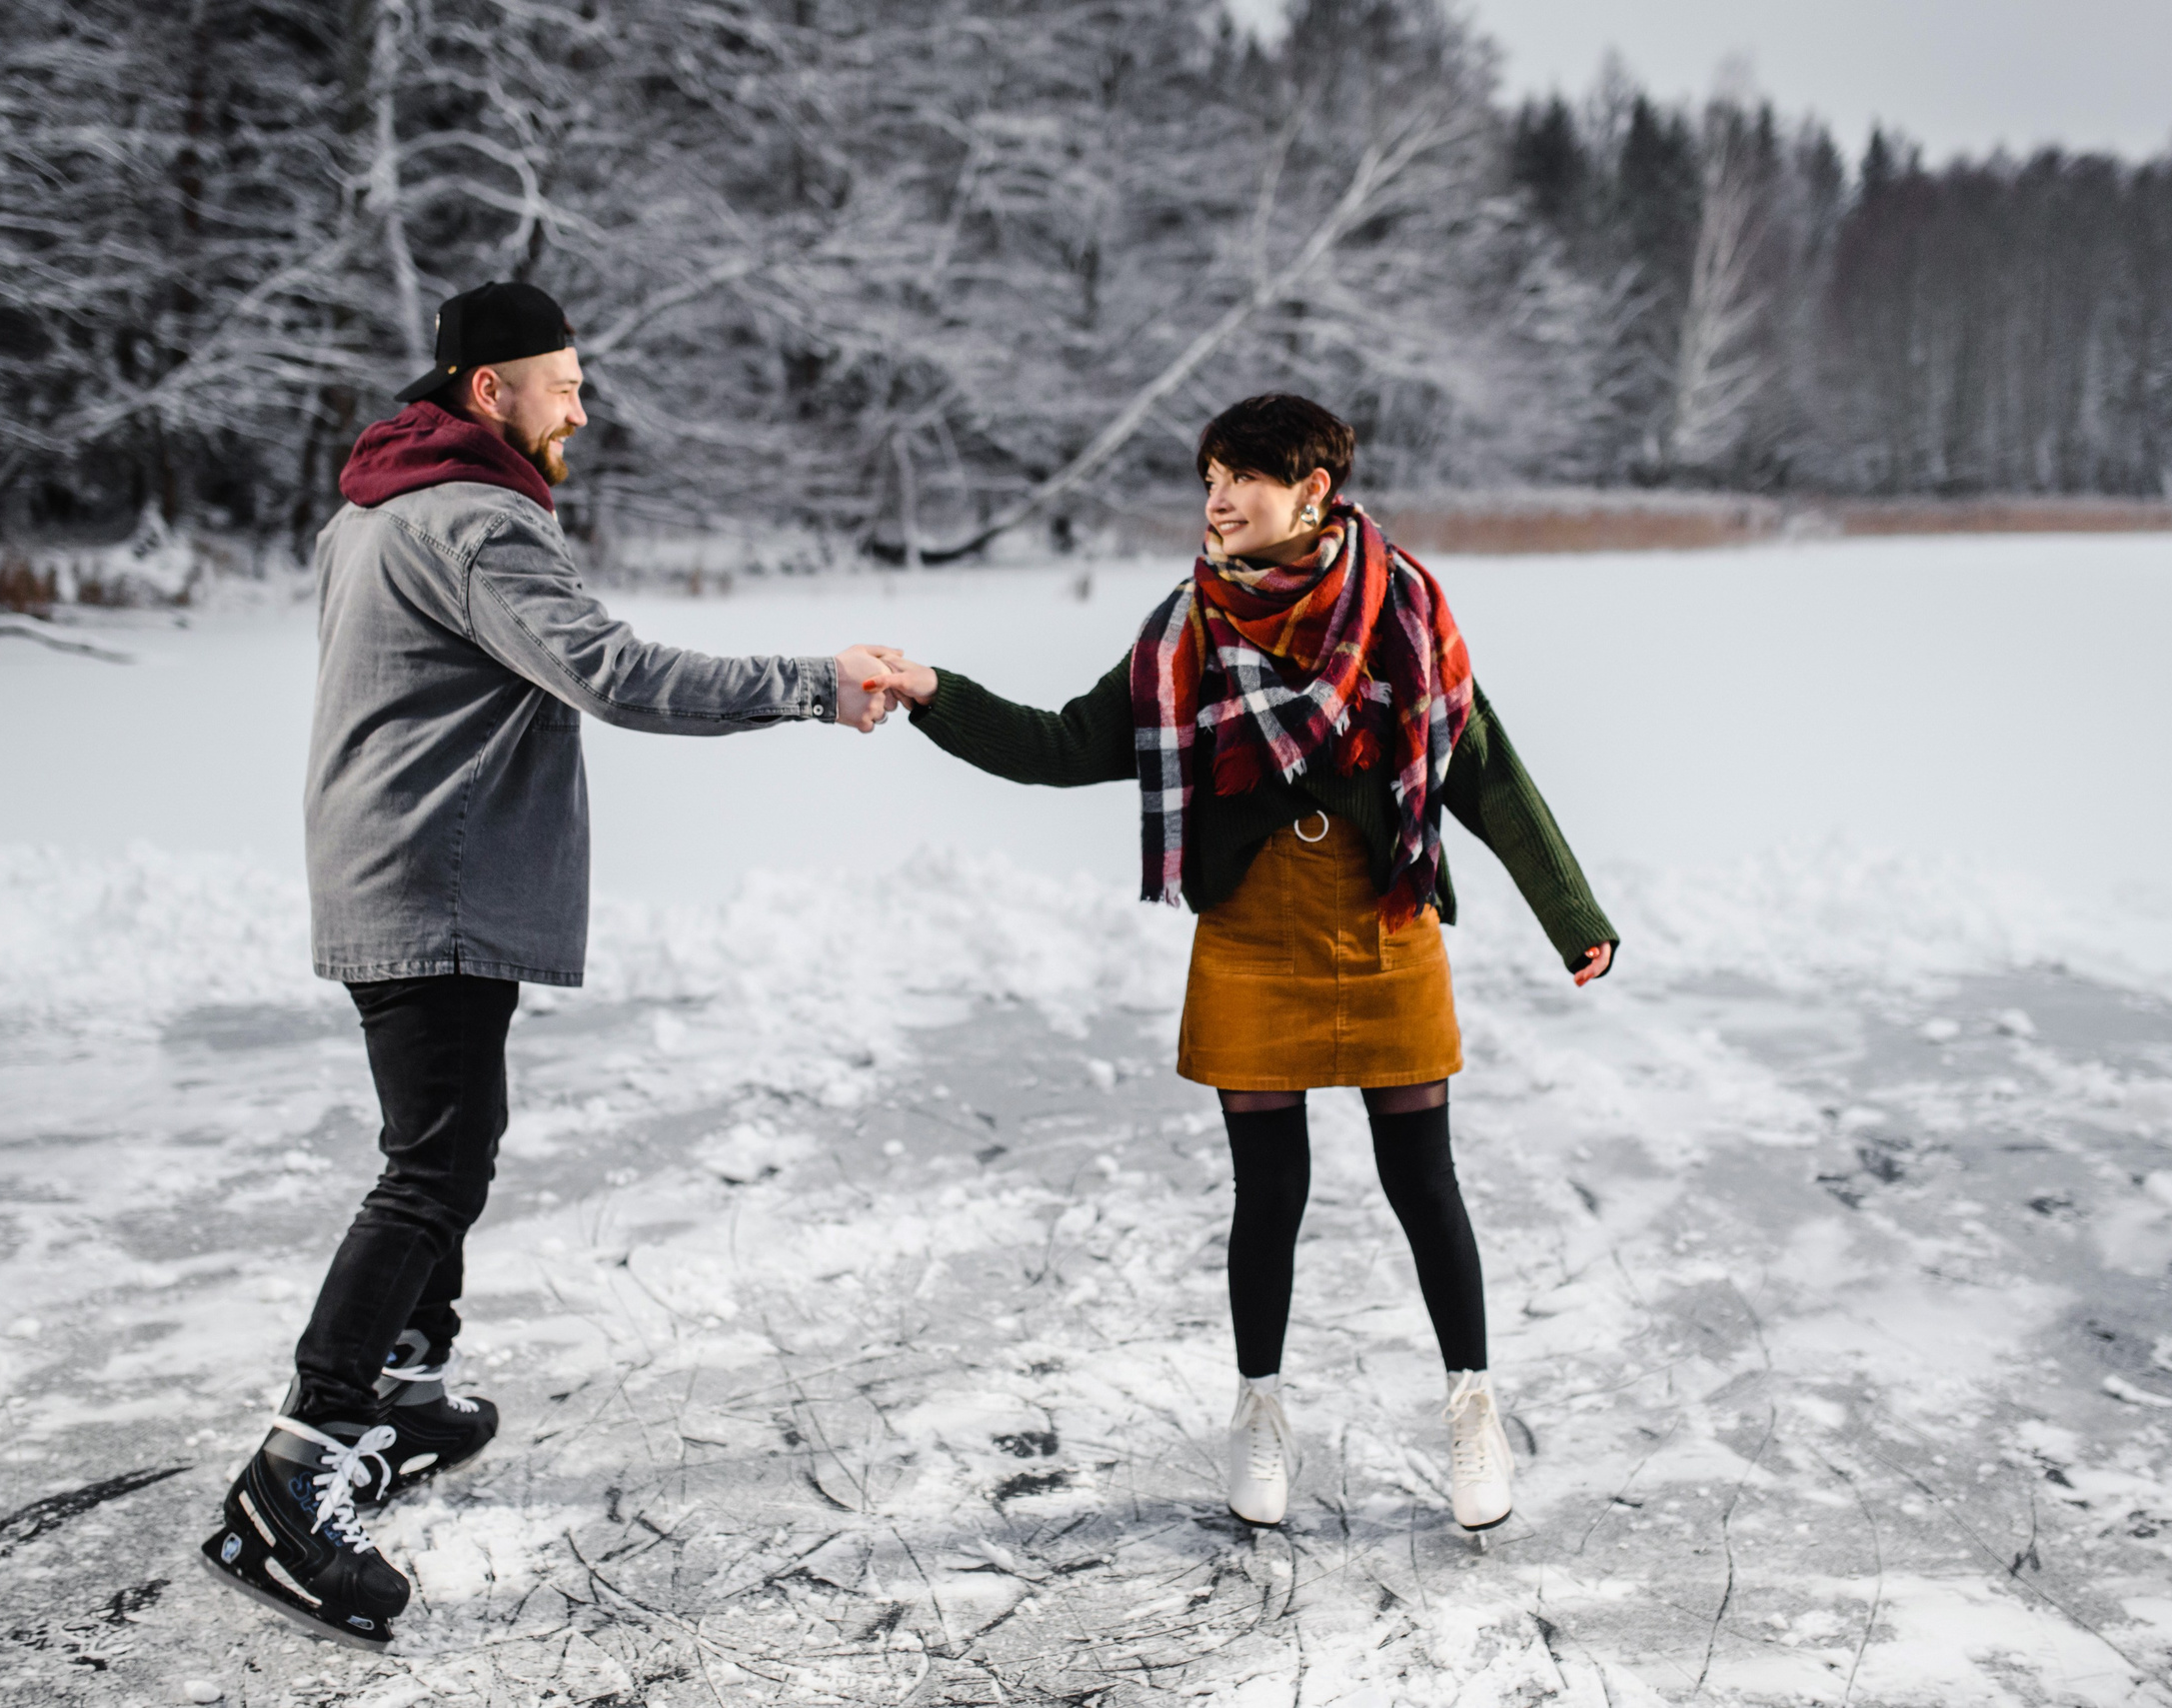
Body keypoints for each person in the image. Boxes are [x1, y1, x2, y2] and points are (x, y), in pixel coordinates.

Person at [200, 281, 906, 1649]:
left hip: (408, 859)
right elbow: (616, 672)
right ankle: (303, 1458)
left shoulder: (379, 504)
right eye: (561, 381)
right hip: (434, 874)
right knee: (435, 1165)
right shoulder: (473, 521)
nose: (581, 403)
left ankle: (402, 1380)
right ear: (488, 391)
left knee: (456, 1137)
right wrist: (814, 682)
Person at [871, 395, 1616, 1535]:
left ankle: (1471, 1406)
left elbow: (1485, 772)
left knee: (1424, 1183)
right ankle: (1258, 1411)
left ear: (1312, 491)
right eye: (1209, 477)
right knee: (1268, 1192)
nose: (1217, 500)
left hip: (1383, 930)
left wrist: (1573, 914)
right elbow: (1067, 744)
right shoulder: (1185, 631)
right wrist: (934, 693)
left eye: (1243, 479)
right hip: (1251, 940)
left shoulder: (1402, 613)